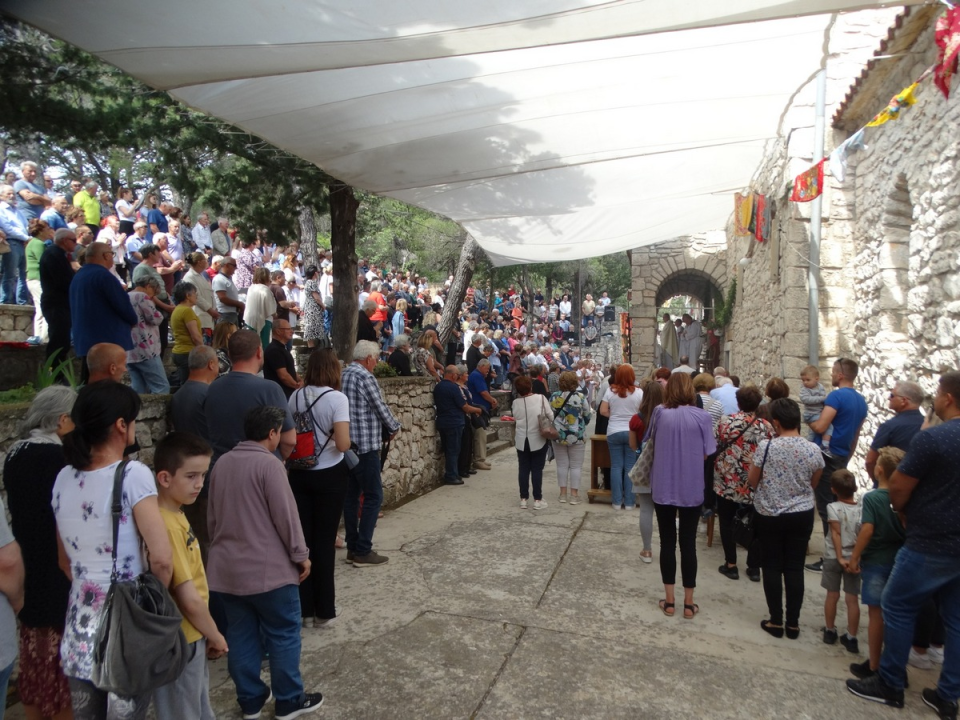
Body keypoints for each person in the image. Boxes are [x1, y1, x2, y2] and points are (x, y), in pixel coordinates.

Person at [53, 381, 173, 719]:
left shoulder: (63, 477)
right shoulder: (131, 474)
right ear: (121, 425)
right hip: (126, 624)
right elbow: (162, 559)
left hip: (80, 621)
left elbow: (64, 560)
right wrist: (153, 606)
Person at [846, 371, 960, 716]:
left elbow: (898, 486)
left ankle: (890, 682)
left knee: (896, 605)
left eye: (938, 393)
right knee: (955, 619)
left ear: (949, 398)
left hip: (929, 540)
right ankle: (947, 694)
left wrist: (903, 510)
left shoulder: (934, 438)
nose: (935, 399)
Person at [207, 407, 323, 720]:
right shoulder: (269, 465)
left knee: (240, 634)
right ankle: (288, 700)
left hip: (227, 571)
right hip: (268, 571)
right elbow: (287, 517)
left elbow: (212, 518)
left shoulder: (221, 464)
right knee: (283, 632)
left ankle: (251, 700)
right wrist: (301, 556)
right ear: (272, 433)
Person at [3, 386, 75, 720]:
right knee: (59, 658)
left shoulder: (16, 452)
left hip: (28, 558)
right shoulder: (56, 459)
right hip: (54, 564)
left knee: (34, 653)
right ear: (62, 420)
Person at [152, 433, 228, 720]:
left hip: (191, 633)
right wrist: (215, 634)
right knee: (184, 710)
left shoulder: (176, 513)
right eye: (191, 476)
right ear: (165, 477)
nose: (199, 484)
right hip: (180, 637)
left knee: (197, 704)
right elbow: (188, 598)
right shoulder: (167, 524)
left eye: (203, 475)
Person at [748, 397, 824, 640]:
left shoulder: (767, 447)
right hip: (801, 514)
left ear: (777, 423)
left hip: (769, 513)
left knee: (771, 566)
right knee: (794, 567)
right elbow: (814, 482)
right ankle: (793, 623)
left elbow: (753, 480)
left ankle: (775, 619)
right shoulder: (813, 449)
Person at [287, 350, 352, 627]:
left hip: (299, 474)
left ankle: (304, 610)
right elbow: (343, 444)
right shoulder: (337, 399)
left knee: (304, 543)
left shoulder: (295, 396)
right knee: (324, 543)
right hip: (328, 475)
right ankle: (325, 612)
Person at [646, 372, 715, 619]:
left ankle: (670, 600)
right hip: (691, 486)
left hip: (663, 484)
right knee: (688, 545)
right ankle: (688, 603)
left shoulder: (660, 413)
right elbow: (708, 453)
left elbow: (650, 442)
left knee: (666, 542)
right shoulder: (703, 417)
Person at [847, 446, 907, 681]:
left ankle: (873, 664)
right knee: (896, 615)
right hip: (898, 559)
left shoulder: (872, 498)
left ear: (879, 470)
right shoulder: (903, 496)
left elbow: (867, 530)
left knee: (876, 615)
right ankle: (895, 664)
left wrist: (854, 557)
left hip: (875, 562)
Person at [341, 340, 402, 567]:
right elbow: (380, 407)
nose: (376, 364)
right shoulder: (366, 377)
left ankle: (352, 546)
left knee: (351, 496)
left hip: (348, 445)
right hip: (365, 445)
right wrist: (395, 427)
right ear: (368, 359)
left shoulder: (344, 374)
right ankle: (363, 550)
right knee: (374, 496)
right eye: (376, 359)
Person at [806, 358, 868, 573]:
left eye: (833, 372)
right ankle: (841, 552)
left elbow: (822, 425)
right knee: (838, 504)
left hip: (826, 455)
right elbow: (856, 435)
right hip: (841, 456)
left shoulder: (836, 396)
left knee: (825, 508)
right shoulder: (862, 401)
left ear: (841, 375)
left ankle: (830, 557)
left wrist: (809, 421)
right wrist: (847, 458)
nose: (831, 375)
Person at [713, 385, 774, 582]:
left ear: (738, 403)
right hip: (754, 481)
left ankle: (731, 564)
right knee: (755, 522)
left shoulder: (726, 422)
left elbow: (714, 442)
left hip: (728, 479)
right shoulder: (766, 426)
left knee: (726, 520)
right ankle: (754, 566)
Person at [68, 242, 138, 381]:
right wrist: (133, 320)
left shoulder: (79, 276)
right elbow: (122, 305)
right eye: (112, 254)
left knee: (89, 378)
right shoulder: (104, 276)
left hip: (86, 337)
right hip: (106, 338)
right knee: (106, 380)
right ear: (106, 256)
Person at [820, 469, 862, 652]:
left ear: (833, 490)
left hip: (833, 556)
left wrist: (839, 556)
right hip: (854, 558)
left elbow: (836, 533)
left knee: (832, 594)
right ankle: (852, 637)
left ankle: (830, 630)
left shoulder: (833, 507)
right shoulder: (862, 509)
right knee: (852, 599)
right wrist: (855, 558)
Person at [599, 365, 643, 510]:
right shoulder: (638, 392)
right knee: (630, 466)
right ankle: (629, 502)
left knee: (616, 466)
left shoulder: (610, 391)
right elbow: (642, 412)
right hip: (632, 432)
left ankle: (617, 501)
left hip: (614, 431)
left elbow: (603, 411)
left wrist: (616, 415)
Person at [863, 380, 924, 483]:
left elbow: (870, 461)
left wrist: (878, 483)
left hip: (892, 483)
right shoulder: (929, 424)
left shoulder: (890, 426)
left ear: (904, 401)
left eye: (892, 395)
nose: (889, 398)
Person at [629, 381, 663, 563]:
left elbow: (633, 445)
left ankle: (647, 550)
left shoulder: (636, 419)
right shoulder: (666, 417)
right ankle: (667, 547)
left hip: (644, 469)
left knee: (646, 510)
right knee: (666, 511)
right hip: (664, 469)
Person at [550, 370, 592, 505]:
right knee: (576, 466)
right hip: (576, 435)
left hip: (558, 435)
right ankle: (574, 495)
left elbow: (550, 414)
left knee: (561, 465)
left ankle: (563, 494)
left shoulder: (554, 397)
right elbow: (587, 415)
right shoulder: (581, 397)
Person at [511, 374, 550, 510]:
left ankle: (523, 498)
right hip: (538, 437)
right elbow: (550, 415)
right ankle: (537, 499)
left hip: (522, 439)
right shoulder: (540, 398)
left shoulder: (516, 402)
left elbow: (515, 416)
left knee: (523, 468)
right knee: (537, 469)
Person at [434, 365, 478, 486]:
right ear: (453, 375)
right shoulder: (454, 388)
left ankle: (452, 473)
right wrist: (477, 410)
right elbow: (464, 406)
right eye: (457, 374)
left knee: (449, 449)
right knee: (453, 449)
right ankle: (451, 475)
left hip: (442, 421)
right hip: (454, 422)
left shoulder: (438, 387)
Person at [126, 275, 170, 394]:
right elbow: (156, 318)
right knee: (161, 387)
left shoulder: (126, 295)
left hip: (130, 350)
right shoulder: (142, 297)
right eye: (153, 292)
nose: (152, 296)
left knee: (138, 388)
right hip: (146, 348)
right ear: (148, 286)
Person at [170, 346, 218, 442]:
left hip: (185, 450)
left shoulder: (178, 395)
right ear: (211, 364)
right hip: (207, 451)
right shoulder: (210, 394)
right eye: (218, 363)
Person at [171, 281, 205, 387]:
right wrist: (203, 350)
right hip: (187, 352)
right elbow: (195, 335)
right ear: (187, 295)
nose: (196, 296)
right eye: (194, 293)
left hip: (179, 351)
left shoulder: (178, 309)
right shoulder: (187, 311)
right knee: (188, 385)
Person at [467, 359, 498, 471]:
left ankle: (480, 459)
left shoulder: (478, 375)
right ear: (481, 366)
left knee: (481, 434)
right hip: (477, 409)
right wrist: (493, 400)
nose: (488, 371)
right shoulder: (476, 376)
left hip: (479, 409)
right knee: (479, 433)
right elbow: (483, 392)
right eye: (487, 368)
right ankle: (479, 460)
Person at [183, 252, 219, 344]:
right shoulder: (189, 277)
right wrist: (210, 310)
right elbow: (196, 296)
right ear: (199, 262)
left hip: (208, 317)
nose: (207, 262)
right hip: (201, 316)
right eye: (205, 260)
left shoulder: (200, 275)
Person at [263, 320, 300, 398]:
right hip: (280, 395)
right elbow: (283, 376)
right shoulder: (274, 350)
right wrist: (297, 386)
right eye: (288, 329)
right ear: (278, 331)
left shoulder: (281, 348)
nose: (292, 331)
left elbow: (290, 369)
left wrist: (300, 380)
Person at [244, 266, 277, 349]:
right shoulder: (266, 290)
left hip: (250, 320)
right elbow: (271, 310)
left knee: (251, 345)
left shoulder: (250, 288)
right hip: (264, 320)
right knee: (263, 346)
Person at [799, 365, 830, 442]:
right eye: (803, 380)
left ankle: (809, 443)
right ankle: (826, 445)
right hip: (811, 414)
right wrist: (822, 399)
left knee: (812, 433)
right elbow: (806, 399)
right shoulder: (804, 389)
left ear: (817, 379)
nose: (805, 382)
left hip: (818, 413)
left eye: (808, 380)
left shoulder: (820, 387)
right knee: (829, 426)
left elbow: (823, 397)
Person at [212, 256, 244, 327]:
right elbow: (222, 298)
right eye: (234, 265)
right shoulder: (219, 279)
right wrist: (239, 304)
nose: (236, 268)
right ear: (227, 265)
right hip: (224, 314)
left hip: (231, 313)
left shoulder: (227, 279)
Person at [301, 265, 326, 348]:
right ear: (315, 273)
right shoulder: (311, 283)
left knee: (312, 329)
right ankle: (312, 348)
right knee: (312, 329)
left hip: (310, 308)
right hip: (313, 310)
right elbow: (317, 298)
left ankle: (312, 347)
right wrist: (323, 306)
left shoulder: (308, 282)